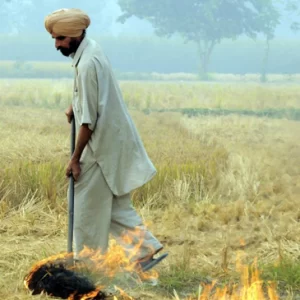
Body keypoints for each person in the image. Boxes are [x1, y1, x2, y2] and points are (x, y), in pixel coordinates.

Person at [44, 8, 167, 272]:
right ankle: (144, 252)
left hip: (101, 149)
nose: (57, 45)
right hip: (113, 142)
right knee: (114, 207)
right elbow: (90, 98)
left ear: (76, 34)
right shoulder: (90, 50)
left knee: (85, 209)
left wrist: (75, 159)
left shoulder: (88, 63)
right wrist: (73, 106)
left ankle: (89, 268)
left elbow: (89, 120)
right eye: (55, 38)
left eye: (61, 38)